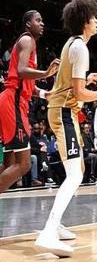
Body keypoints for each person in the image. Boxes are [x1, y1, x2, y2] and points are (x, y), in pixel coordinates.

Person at [35, 0, 97, 257]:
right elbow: (78, 94)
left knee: (78, 169)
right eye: (93, 16)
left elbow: (70, 84)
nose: (96, 20)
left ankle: (55, 224)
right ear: (84, 21)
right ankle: (48, 232)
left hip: (63, 110)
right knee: (75, 174)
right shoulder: (81, 48)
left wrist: (86, 80)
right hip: (64, 113)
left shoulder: (72, 43)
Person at [0, 10, 59, 194]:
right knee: (24, 164)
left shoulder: (29, 43)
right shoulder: (28, 40)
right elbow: (21, 71)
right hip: (13, 102)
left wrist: (44, 94)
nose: (42, 23)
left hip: (12, 100)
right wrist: (46, 73)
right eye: (38, 20)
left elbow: (26, 82)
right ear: (28, 24)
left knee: (9, 164)